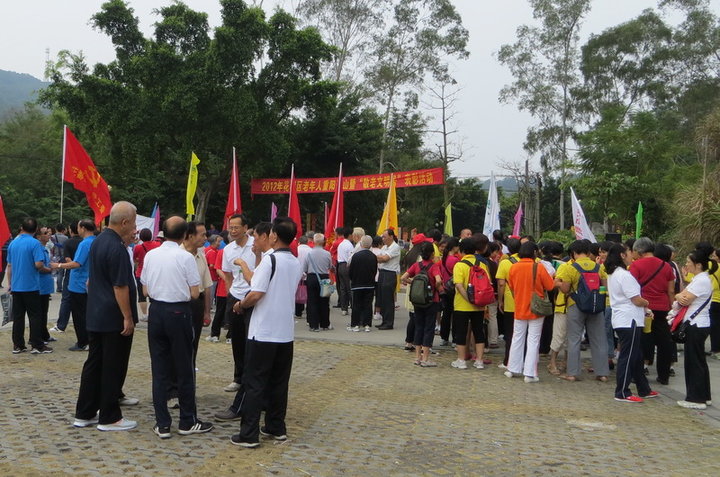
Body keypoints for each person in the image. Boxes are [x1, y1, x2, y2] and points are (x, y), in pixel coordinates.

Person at [231, 217, 302, 448]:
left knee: (255, 383)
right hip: (284, 333)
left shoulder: (270, 260)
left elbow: (256, 293)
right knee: (279, 383)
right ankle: (275, 426)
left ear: (274, 236)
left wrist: (241, 305)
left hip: (263, 333)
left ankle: (249, 434)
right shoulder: (294, 260)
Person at [142, 216, 213, 438]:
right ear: (184, 235)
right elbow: (194, 293)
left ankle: (162, 423)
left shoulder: (151, 255)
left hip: (156, 312)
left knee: (159, 369)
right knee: (184, 367)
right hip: (179, 312)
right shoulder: (185, 257)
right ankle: (187, 421)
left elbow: (144, 290)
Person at [72, 201, 139, 431]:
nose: (134, 229)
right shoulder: (117, 247)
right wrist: (128, 317)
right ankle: (109, 417)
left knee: (94, 363)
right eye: (133, 223)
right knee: (113, 365)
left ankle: (85, 412)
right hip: (113, 318)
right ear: (124, 222)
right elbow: (120, 287)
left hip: (96, 314)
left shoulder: (98, 241)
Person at [605, 244, 658, 403]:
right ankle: (622, 391)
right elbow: (636, 299)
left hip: (624, 318)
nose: (632, 255)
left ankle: (643, 388)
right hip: (630, 320)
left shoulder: (614, 274)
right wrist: (647, 303)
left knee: (636, 355)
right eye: (629, 252)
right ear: (622, 255)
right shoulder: (624, 275)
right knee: (628, 356)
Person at [556, 240, 610, 382]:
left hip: (576, 306)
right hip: (596, 307)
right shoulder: (599, 267)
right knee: (599, 339)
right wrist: (598, 297)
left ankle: (572, 373)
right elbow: (605, 286)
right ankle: (602, 373)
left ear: (573, 253)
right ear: (588, 252)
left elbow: (566, 289)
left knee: (574, 339)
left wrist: (559, 284)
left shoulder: (570, 268)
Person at [505, 241, 554, 383]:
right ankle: (529, 373)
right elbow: (550, 286)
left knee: (517, 338)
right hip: (536, 308)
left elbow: (512, 286)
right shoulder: (539, 267)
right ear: (534, 252)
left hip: (519, 307)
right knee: (533, 340)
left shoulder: (513, 268)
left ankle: (512, 368)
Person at [630, 237, 675, 385]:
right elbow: (670, 290)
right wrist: (671, 309)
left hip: (643, 308)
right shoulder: (666, 266)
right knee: (664, 343)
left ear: (639, 251)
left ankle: (640, 372)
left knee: (642, 341)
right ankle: (663, 376)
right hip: (662, 308)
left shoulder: (635, 266)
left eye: (634, 251)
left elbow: (632, 289)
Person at [674, 249, 716, 410]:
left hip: (696, 324)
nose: (686, 265)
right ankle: (704, 396)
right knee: (699, 361)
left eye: (688, 262)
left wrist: (679, 296)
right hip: (699, 324)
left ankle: (695, 398)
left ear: (698, 264)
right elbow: (683, 296)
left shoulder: (701, 280)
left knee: (694, 362)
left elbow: (685, 299)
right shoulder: (699, 279)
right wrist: (680, 295)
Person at [220, 214, 257, 393]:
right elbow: (227, 274)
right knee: (237, 339)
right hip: (235, 295)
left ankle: (251, 377)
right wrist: (230, 292)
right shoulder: (228, 249)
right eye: (230, 227)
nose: (233, 230)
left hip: (252, 296)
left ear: (245, 227)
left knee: (252, 338)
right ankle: (238, 378)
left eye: (236, 227)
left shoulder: (255, 246)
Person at [8, 218, 51, 354]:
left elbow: (10, 265)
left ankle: (18, 344)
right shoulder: (35, 243)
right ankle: (36, 344)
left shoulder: (13, 243)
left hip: (16, 285)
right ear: (36, 229)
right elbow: (38, 264)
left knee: (18, 316)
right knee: (35, 315)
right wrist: (47, 268)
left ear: (22, 227)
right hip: (31, 285)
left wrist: (10, 284)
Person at [53, 219, 96, 352]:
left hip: (79, 284)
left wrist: (58, 265)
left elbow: (77, 263)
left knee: (79, 315)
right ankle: (89, 340)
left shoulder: (85, 244)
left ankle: (83, 342)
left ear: (83, 228)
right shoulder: (95, 241)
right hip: (88, 282)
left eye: (79, 227)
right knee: (87, 314)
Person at [450, 236, 490, 370]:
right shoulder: (482, 264)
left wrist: (468, 299)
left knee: (461, 332)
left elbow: (459, 285)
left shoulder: (459, 265)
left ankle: (461, 360)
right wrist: (477, 301)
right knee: (479, 332)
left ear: (462, 251)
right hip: (479, 305)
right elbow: (487, 284)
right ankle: (479, 360)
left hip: (462, 305)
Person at [401, 242, 442, 366]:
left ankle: (417, 357)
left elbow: (403, 277)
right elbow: (439, 280)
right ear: (432, 254)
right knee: (429, 328)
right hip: (431, 300)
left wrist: (412, 283)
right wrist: (436, 288)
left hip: (418, 301)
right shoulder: (434, 267)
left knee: (419, 327)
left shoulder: (416, 265)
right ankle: (425, 358)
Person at [50, 222, 81, 333]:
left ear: (70, 230)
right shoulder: (85, 242)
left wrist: (59, 265)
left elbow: (67, 259)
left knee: (66, 299)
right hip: (84, 274)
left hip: (71, 271)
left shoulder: (69, 242)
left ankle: (61, 325)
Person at [496, 237, 521, 368]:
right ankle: (523, 360)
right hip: (525, 303)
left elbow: (501, 284)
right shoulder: (529, 261)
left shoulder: (505, 263)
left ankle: (509, 361)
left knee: (510, 334)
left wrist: (500, 300)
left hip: (510, 303)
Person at [348, 235, 377, 332]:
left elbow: (351, 270)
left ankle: (356, 324)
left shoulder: (356, 256)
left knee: (356, 304)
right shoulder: (373, 257)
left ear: (361, 244)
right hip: (369, 284)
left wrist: (352, 279)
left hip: (357, 284)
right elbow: (374, 270)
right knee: (368, 304)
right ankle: (367, 324)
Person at [305, 233, 333, 331]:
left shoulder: (309, 253)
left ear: (313, 241)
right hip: (324, 278)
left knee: (312, 301)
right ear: (323, 242)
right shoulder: (327, 253)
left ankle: (314, 325)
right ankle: (325, 324)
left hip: (312, 277)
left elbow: (305, 268)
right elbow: (330, 267)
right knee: (324, 302)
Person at [133, 228, 161, 322]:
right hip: (154, 273)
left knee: (142, 295)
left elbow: (135, 259)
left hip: (141, 273)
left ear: (141, 237)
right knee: (154, 294)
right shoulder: (157, 245)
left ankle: (145, 315)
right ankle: (155, 313)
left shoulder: (138, 247)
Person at [376, 229, 401, 330]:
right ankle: (384, 321)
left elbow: (384, 258)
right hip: (382, 272)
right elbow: (379, 257)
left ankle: (389, 323)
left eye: (384, 236)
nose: (383, 239)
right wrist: (380, 258)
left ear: (391, 236)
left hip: (390, 274)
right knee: (382, 298)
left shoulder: (395, 247)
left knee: (388, 299)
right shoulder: (385, 246)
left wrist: (380, 258)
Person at [207, 236, 230, 343]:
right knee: (220, 312)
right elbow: (217, 268)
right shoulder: (222, 252)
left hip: (236, 289)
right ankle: (215, 334)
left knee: (232, 313)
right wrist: (227, 280)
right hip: (223, 288)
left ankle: (230, 335)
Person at [439, 237, 460, 347]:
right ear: (455, 247)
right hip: (453, 289)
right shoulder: (455, 260)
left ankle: (444, 337)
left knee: (446, 314)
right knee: (455, 314)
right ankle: (455, 339)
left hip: (445, 289)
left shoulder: (444, 258)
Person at [35, 227, 54, 344]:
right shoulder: (39, 249)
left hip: (46, 285)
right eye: (45, 233)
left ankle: (44, 334)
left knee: (44, 311)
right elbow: (39, 266)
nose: (48, 235)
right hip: (40, 284)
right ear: (39, 237)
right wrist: (49, 269)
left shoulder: (44, 248)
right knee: (40, 312)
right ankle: (40, 335)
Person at [336, 226, 354, 316]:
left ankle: (344, 308)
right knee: (350, 288)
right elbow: (350, 258)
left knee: (343, 287)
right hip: (347, 266)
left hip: (340, 265)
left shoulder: (341, 244)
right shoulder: (349, 245)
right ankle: (353, 306)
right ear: (350, 235)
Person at [51, 224, 68, 293]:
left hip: (54, 256)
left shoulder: (52, 237)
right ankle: (59, 288)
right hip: (62, 256)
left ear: (56, 229)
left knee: (53, 272)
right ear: (63, 230)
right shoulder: (66, 238)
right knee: (61, 273)